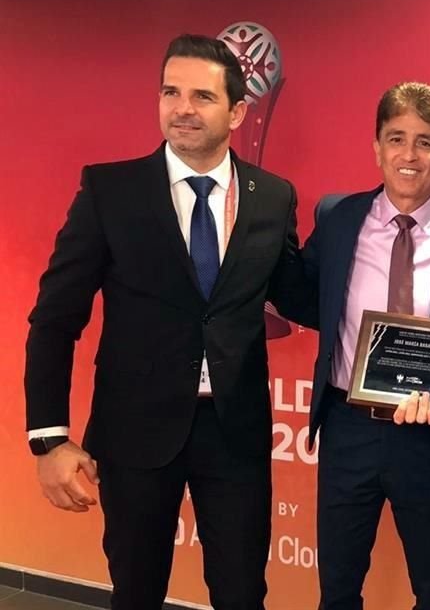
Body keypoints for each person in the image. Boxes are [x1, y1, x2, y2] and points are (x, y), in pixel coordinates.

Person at [24, 34, 306, 610]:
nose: (182, 107)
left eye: (202, 95)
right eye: (170, 91)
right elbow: (55, 318)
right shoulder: (111, 191)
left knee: (242, 594)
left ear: (238, 110)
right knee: (137, 592)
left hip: (236, 436)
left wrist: (378, 239)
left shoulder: (273, 198)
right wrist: (48, 438)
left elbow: (303, 297)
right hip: (134, 434)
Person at [299, 82, 430, 610]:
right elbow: (302, 293)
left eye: (426, 141)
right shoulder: (337, 218)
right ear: (377, 146)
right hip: (348, 427)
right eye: (396, 138)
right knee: (339, 589)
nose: (409, 155)